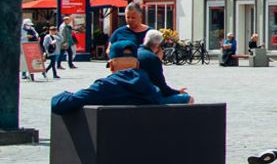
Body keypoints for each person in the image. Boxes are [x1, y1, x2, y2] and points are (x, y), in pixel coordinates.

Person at [51, 39, 191, 113]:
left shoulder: (104, 87)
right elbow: (179, 100)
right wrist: (184, 97)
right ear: (137, 64)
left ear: (112, 65)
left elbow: (59, 104)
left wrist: (66, 94)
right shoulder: (151, 90)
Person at [137, 29, 192, 101]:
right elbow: (162, 89)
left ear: (145, 39)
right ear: (158, 45)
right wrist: (178, 92)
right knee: (188, 98)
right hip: (148, 98)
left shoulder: (137, 52)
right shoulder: (152, 58)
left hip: (134, 94)